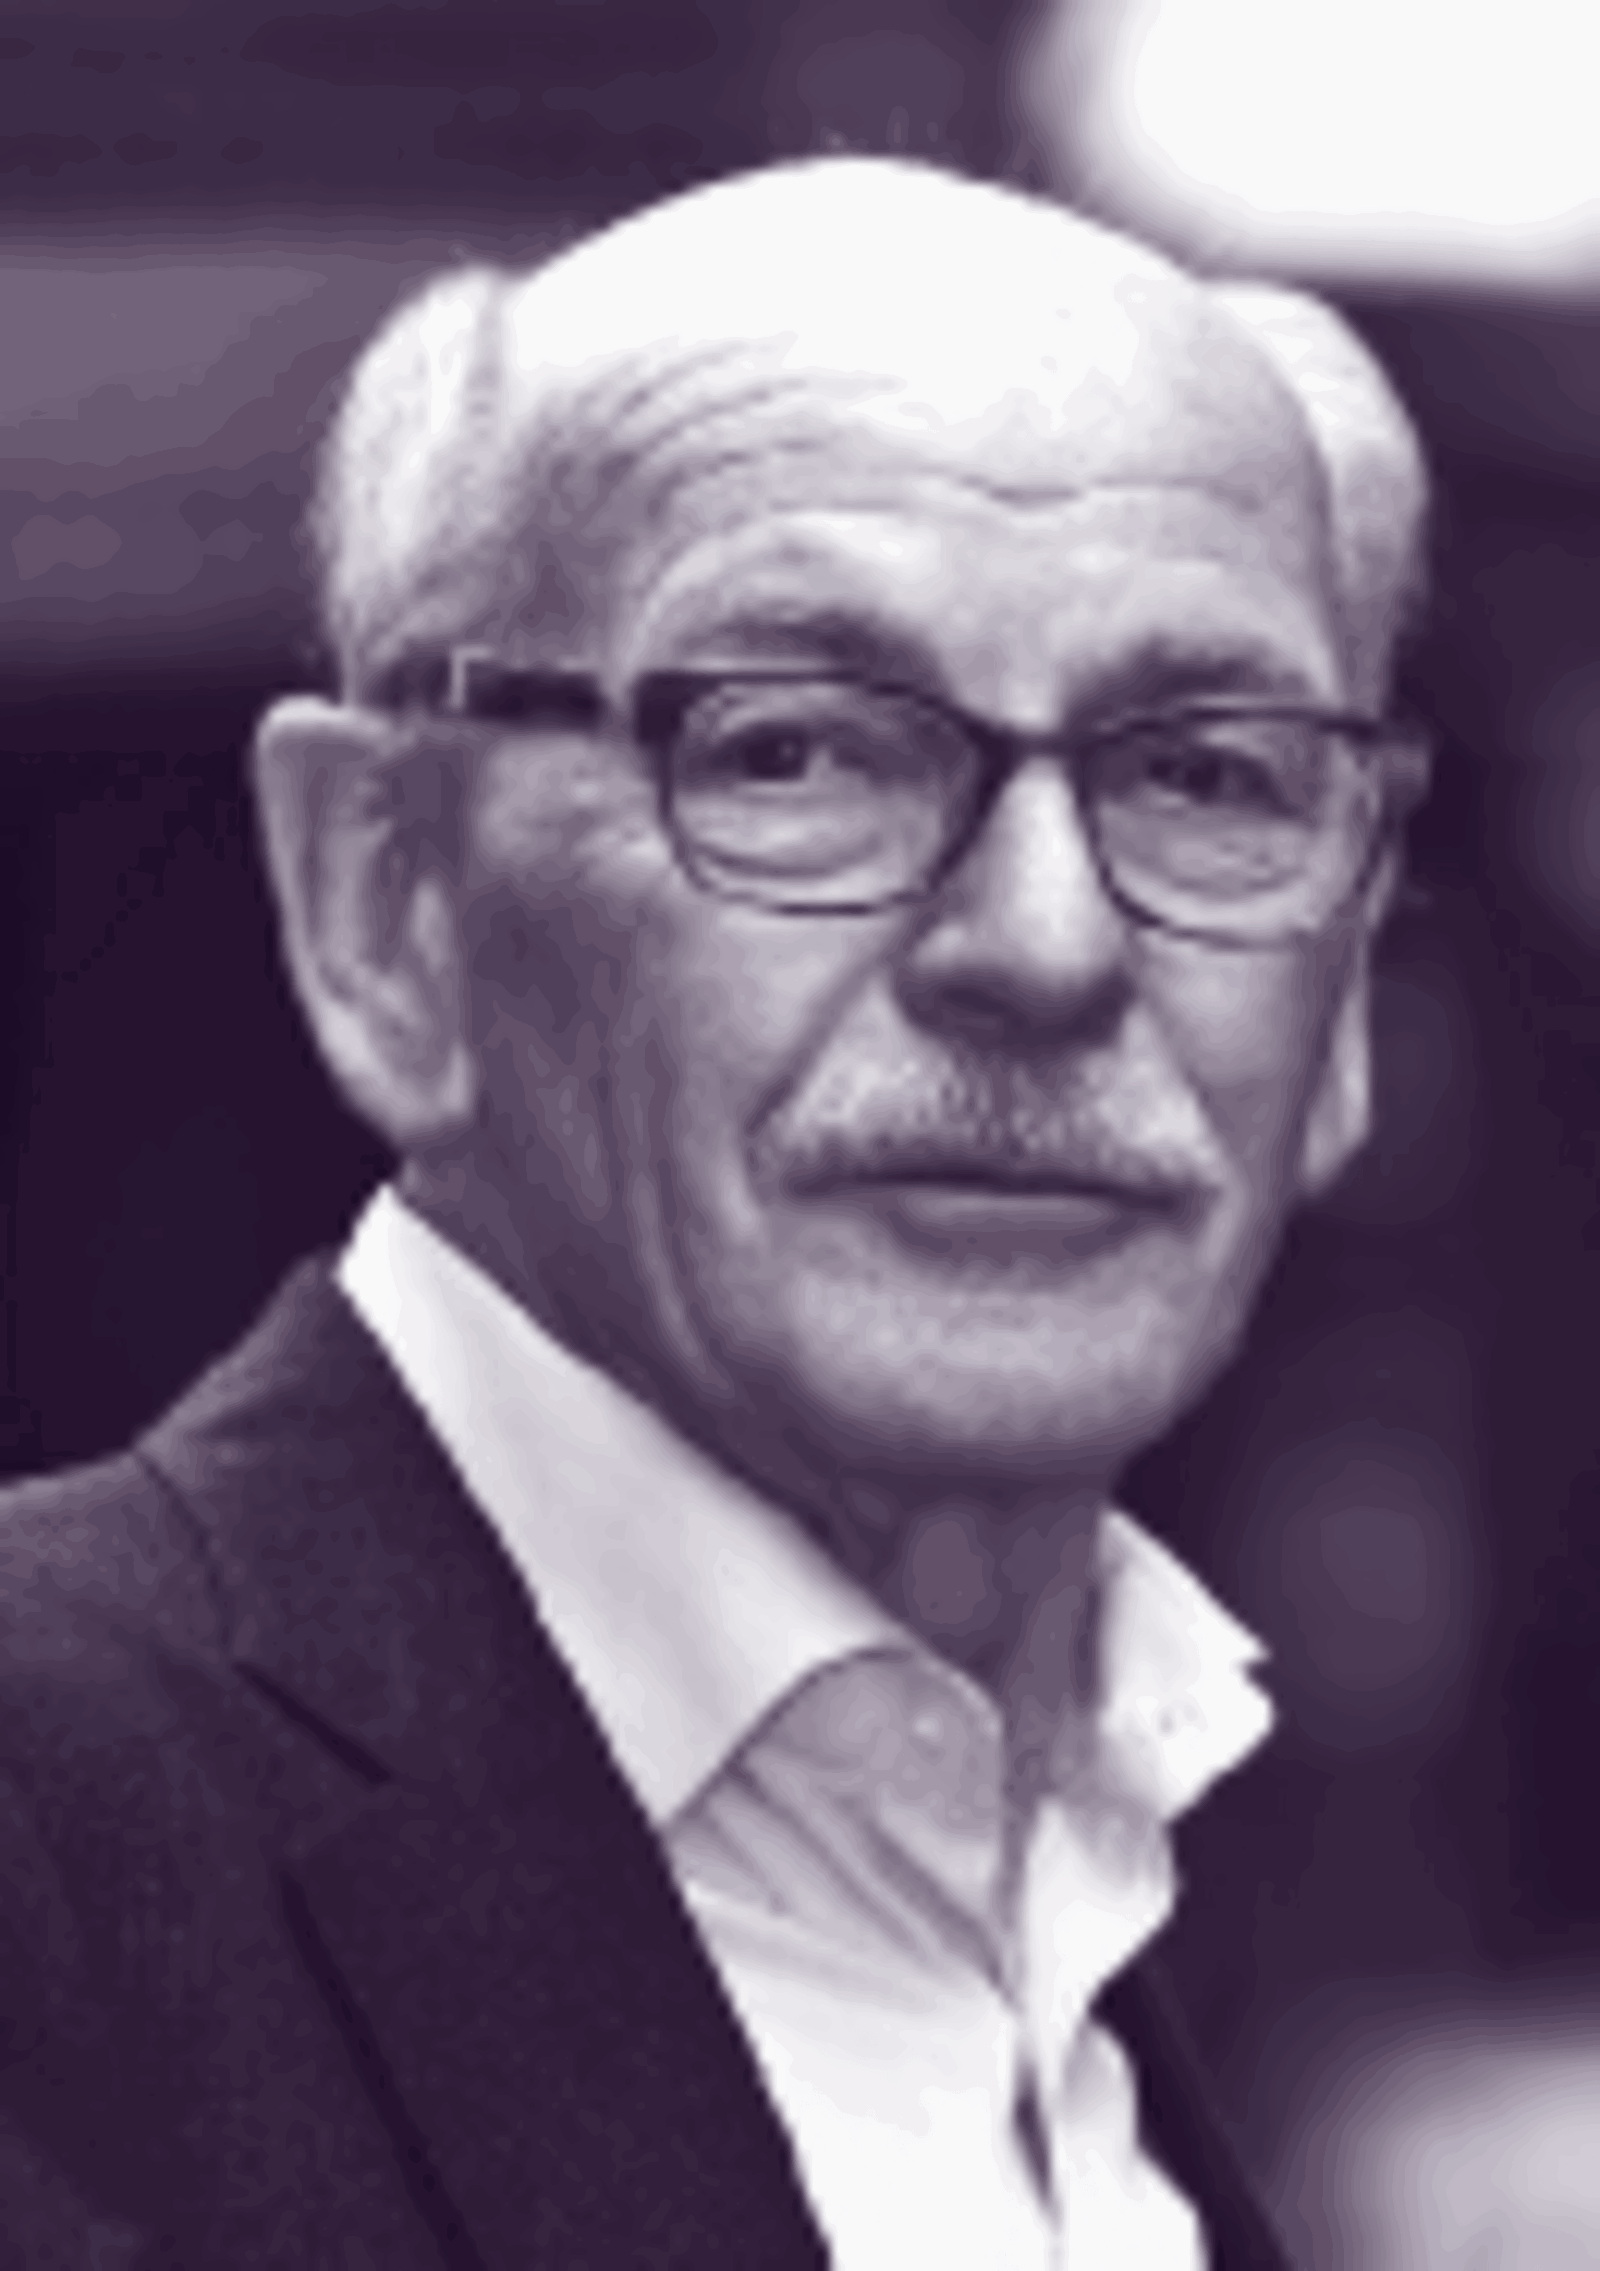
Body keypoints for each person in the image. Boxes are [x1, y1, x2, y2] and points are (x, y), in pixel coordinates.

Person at [0, 156, 1428, 2269]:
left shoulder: (1079, 1941)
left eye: (1204, 774)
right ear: (384, 903)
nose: (1046, 946)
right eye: (794, 750)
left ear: (1348, 983)